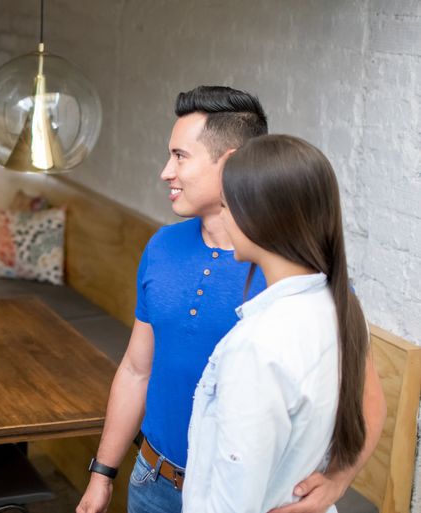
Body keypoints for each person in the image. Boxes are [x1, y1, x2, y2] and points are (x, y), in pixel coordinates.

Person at [75, 86, 385, 513]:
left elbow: (366, 398)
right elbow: (135, 369)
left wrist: (337, 482)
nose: (166, 171)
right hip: (152, 478)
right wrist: (103, 473)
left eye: (180, 156)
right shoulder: (162, 246)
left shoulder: (298, 282)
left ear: (233, 162)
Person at [182, 134, 372, 511]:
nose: (222, 218)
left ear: (260, 216)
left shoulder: (258, 345)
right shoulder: (339, 309)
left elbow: (232, 501)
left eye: (226, 206)